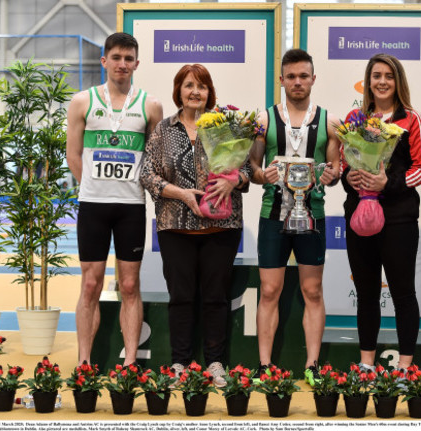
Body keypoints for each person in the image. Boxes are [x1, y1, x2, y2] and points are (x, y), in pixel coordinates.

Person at [140, 64, 250, 387]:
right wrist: (182, 195)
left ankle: (215, 363)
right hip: (175, 226)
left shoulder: (226, 127)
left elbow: (247, 171)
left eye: (202, 86)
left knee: (216, 297)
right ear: (179, 91)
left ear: (209, 92)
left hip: (222, 227)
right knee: (181, 296)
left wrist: (234, 182)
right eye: (189, 85)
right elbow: (148, 175)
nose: (195, 92)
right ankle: (179, 364)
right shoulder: (163, 130)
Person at [66, 32, 163, 366]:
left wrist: (126, 189)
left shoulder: (150, 105)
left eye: (129, 58)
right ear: (104, 60)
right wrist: (93, 187)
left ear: (137, 63)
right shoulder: (82, 102)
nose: (123, 64)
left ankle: (130, 363)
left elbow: (153, 160)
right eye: (117, 57)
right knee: (90, 284)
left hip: (131, 208)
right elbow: (73, 155)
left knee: (131, 284)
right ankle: (84, 362)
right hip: (93, 206)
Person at [249, 48, 340, 384]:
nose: (298, 82)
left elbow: (335, 168)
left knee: (312, 291)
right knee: (269, 290)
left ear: (313, 79)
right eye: (291, 76)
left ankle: (312, 365)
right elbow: (253, 168)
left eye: (304, 76)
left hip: (311, 215)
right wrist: (263, 176)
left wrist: (332, 175)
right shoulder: (264, 119)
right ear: (282, 80)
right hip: (272, 215)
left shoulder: (330, 121)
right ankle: (263, 365)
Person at [341, 54, 421, 372]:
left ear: (398, 82)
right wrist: (349, 179)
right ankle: (366, 364)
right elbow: (344, 164)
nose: (381, 81)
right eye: (376, 75)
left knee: (403, 292)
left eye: (388, 76)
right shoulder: (355, 118)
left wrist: (387, 182)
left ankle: (405, 366)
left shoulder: (411, 119)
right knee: (366, 293)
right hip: (359, 219)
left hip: (399, 220)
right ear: (368, 82)